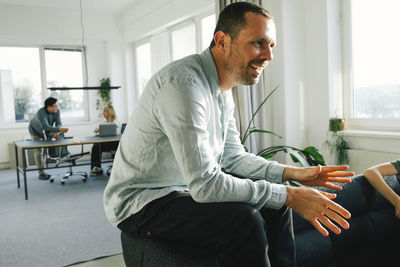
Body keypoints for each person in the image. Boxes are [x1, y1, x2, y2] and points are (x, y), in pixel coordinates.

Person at [104, 2, 354, 266]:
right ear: (222, 40)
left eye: (271, 46)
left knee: (276, 204)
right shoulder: (183, 86)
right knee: (244, 221)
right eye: (258, 43)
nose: (268, 56)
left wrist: (291, 174)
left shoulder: (222, 91)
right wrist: (290, 194)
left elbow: (233, 157)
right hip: (141, 202)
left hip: (182, 190)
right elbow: (206, 185)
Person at [28, 97, 69, 180]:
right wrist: (58, 130)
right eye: (54, 106)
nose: (56, 108)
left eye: (56, 106)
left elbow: (58, 123)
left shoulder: (56, 111)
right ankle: (41, 173)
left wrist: (57, 131)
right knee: (38, 151)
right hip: (35, 131)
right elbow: (45, 126)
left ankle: (44, 169)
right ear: (48, 107)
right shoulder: (41, 112)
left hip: (46, 130)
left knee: (46, 150)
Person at [90, 106, 120, 176]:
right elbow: (101, 132)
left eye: (104, 111)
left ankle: (117, 168)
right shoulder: (103, 122)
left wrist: (101, 130)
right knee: (96, 146)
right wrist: (98, 130)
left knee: (97, 146)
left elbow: (118, 134)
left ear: (109, 112)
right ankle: (96, 168)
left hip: (115, 143)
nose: (103, 113)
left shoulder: (116, 122)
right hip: (106, 143)